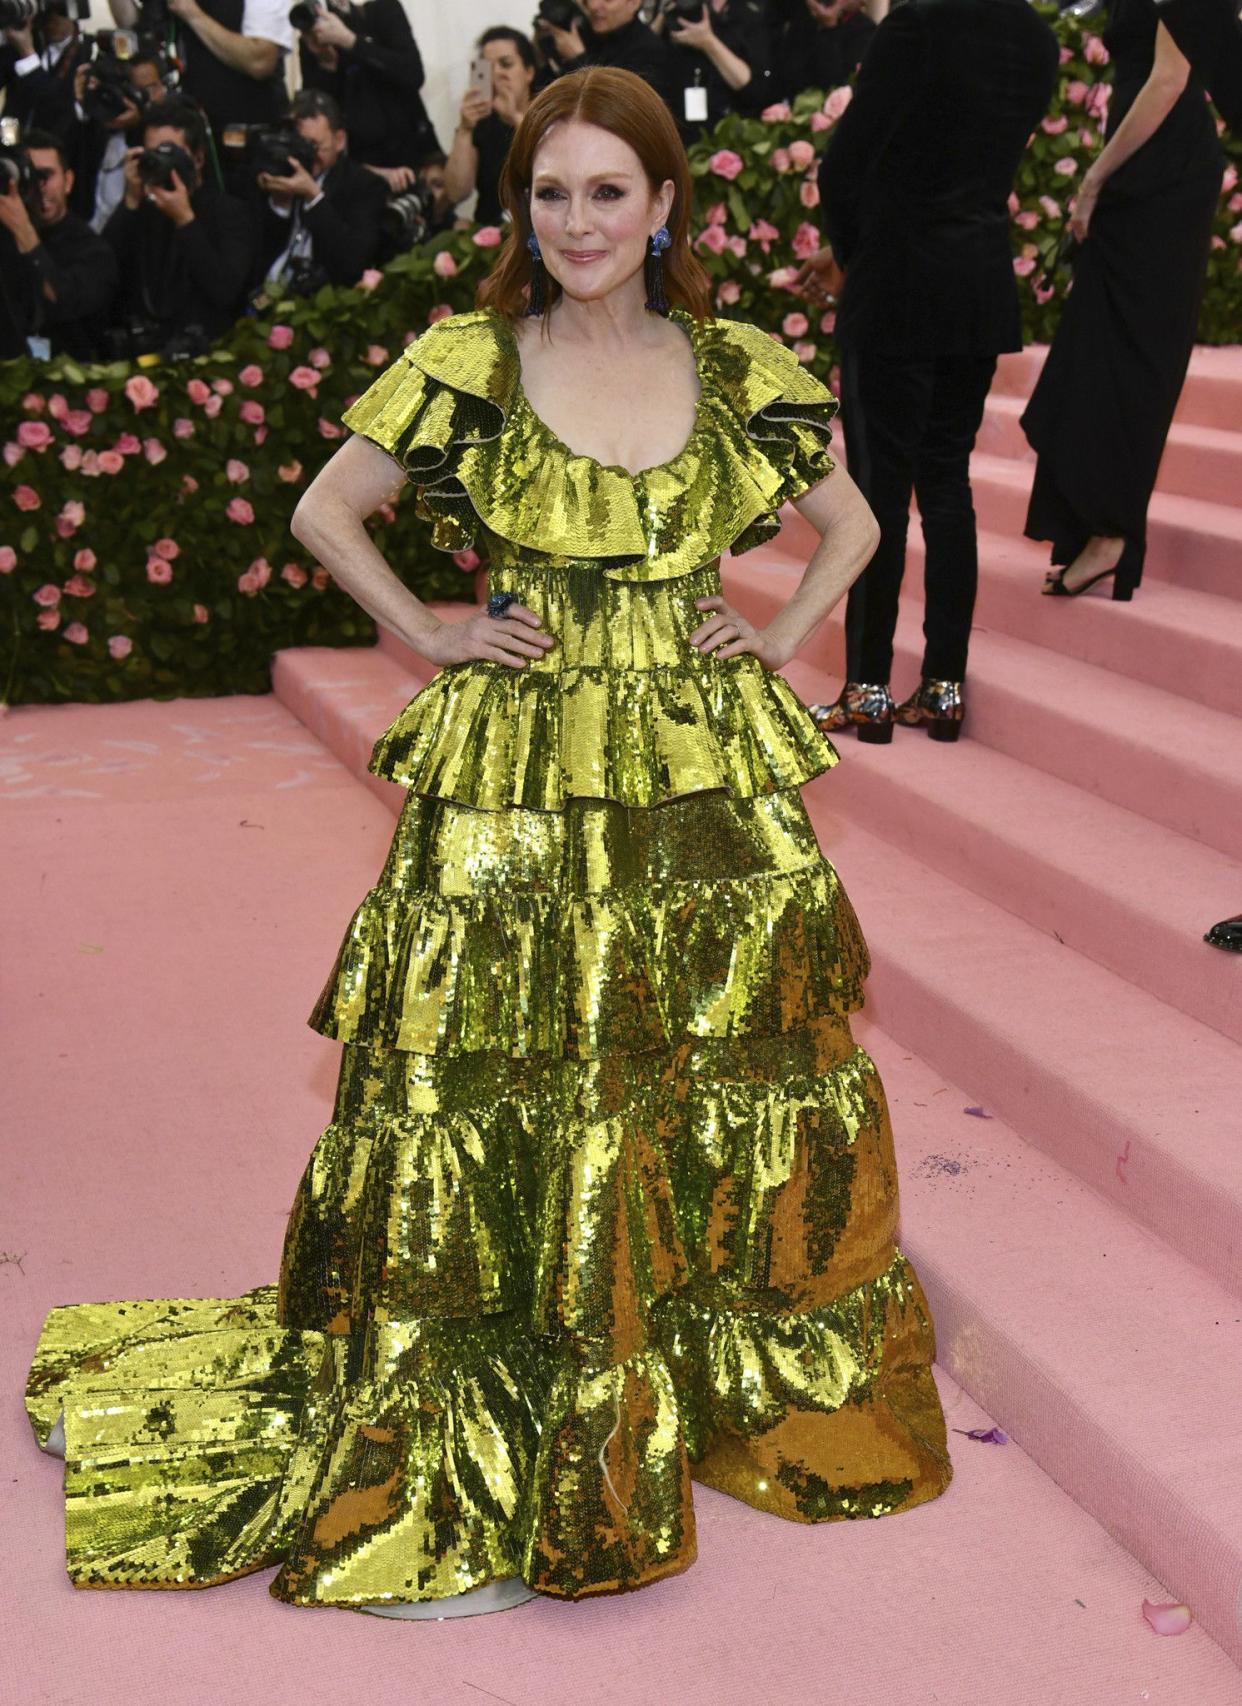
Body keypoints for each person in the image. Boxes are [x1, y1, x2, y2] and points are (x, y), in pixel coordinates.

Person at [24, 64, 953, 1617]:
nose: (574, 220)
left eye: (606, 190)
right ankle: (517, 1382)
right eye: (547, 190)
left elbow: (854, 524)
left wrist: (782, 631)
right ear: (517, 206)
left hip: (693, 773)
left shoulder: (734, 365)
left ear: (664, 207)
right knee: (508, 1072)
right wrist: (434, 629)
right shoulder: (477, 358)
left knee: (718, 1053)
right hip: (520, 778)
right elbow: (330, 510)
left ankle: (684, 1358)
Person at [799, 0, 1058, 743]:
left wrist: (857, 258)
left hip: (899, 288)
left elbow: (844, 164)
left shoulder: (919, 21)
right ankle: (943, 686)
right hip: (976, 283)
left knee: (879, 489)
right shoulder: (1036, 38)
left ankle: (868, 690)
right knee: (946, 485)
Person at [1020, 0, 1222, 600]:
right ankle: (1091, 526)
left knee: (1136, 358)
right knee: (1097, 350)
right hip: (1140, 168)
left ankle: (1114, 534)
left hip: (1167, 174)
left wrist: (1092, 180)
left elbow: (1168, 79)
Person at [101, 95, 255, 355]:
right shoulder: (140, 209)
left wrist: (185, 220)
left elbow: (225, 290)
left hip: (206, 353)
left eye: (170, 153)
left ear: (198, 158)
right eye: (153, 154)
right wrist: (129, 201)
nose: (162, 163)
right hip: (141, 352)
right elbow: (105, 273)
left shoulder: (229, 212)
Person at [105, 0, 292, 158]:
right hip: (185, 136)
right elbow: (139, 33)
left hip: (246, 140)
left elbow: (260, 61)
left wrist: (193, 14)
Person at [251, 89, 386, 294]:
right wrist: (280, 203)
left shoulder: (364, 186)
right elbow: (256, 252)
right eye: (300, 144)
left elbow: (353, 261)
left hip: (324, 299)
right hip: (267, 293)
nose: (307, 154)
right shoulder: (279, 169)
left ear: (339, 140)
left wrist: (314, 197)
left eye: (315, 145)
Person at [0, 127, 118, 361]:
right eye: (30, 177)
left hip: (74, 374)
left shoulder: (92, 249)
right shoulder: (5, 240)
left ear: (68, 180)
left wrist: (24, 231)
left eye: (45, 176)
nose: (39, 187)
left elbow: (62, 300)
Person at [296, 0, 440, 172]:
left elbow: (412, 74)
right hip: (359, 163)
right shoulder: (315, 36)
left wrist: (350, 41)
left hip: (407, 148)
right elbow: (316, 114)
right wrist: (327, 63)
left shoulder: (382, 11)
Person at [444, 27, 538, 227]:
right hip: (490, 231)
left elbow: (559, 168)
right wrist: (465, 129)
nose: (497, 74)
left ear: (529, 72)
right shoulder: (481, 121)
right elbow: (456, 192)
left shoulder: (548, 113)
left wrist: (516, 119)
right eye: (487, 68)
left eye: (506, 64)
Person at [67, 49, 168, 232]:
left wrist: (139, 123)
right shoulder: (92, 128)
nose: (136, 98)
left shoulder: (168, 130)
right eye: (129, 89)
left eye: (148, 90)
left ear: (164, 87)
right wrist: (85, 105)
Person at [652, 0, 773, 135]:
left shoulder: (749, 14)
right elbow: (644, 52)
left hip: (727, 129)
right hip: (676, 123)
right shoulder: (670, 7)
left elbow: (753, 89)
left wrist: (707, 41)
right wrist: (662, 15)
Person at [546, 0, 680, 114]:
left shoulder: (649, 49)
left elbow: (622, 110)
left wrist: (577, 59)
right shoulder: (585, 36)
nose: (594, 5)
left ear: (634, 3)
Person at [0, 2, 93, 141]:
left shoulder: (88, 53)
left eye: (59, 13)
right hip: (11, 144)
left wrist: (27, 53)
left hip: (54, 152)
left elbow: (55, 106)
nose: (51, 21)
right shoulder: (23, 41)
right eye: (47, 14)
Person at [771, 0, 876, 102]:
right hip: (792, 105)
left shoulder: (865, 30)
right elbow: (788, 75)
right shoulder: (803, 21)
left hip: (834, 110)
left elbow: (837, 85)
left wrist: (829, 26)